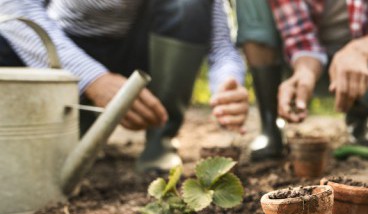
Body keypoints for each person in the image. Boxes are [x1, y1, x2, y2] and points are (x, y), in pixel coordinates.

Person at [0, 0, 248, 172]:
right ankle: (72, 126)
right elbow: (14, 9)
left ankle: (160, 139)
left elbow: (221, 46)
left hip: (141, 52)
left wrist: (229, 83)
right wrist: (92, 79)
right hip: (67, 48)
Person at [236, 0, 368, 161]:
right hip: (299, 62)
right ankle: (269, 125)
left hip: (367, 65)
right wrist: (305, 72)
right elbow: (301, 39)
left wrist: (358, 51)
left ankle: (359, 120)